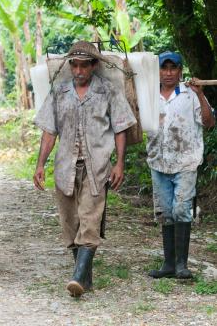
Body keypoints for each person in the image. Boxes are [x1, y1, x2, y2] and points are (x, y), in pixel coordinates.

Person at [33, 41, 136, 296]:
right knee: (70, 224)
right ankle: (85, 279)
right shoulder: (59, 91)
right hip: (65, 167)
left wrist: (120, 163)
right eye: (75, 65)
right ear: (70, 66)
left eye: (84, 65)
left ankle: (77, 278)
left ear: (93, 66)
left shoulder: (108, 90)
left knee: (90, 220)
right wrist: (40, 164)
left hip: (97, 166)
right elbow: (49, 132)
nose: (78, 70)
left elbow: (121, 128)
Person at [147, 51, 215, 279]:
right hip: (158, 161)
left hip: (186, 161)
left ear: (180, 71)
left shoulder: (189, 94)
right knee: (166, 212)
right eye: (164, 68)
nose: (168, 73)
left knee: (181, 209)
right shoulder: (149, 95)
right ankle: (168, 264)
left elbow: (208, 123)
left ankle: (181, 264)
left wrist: (201, 94)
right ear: (157, 71)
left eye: (173, 68)